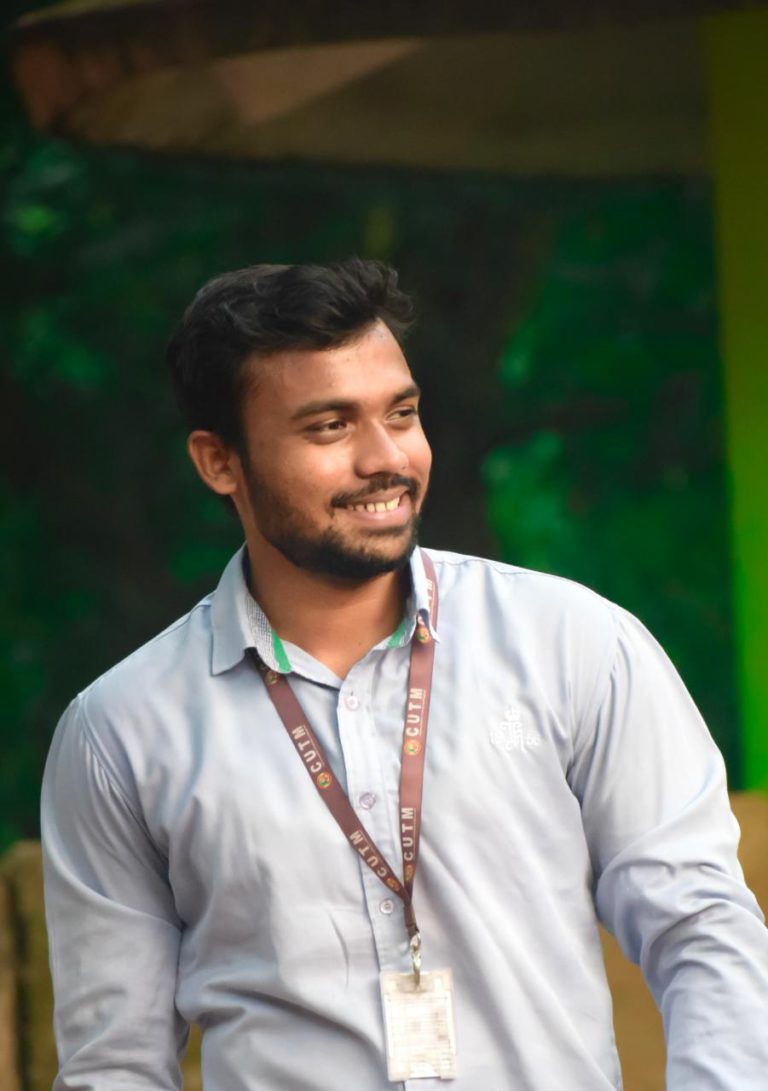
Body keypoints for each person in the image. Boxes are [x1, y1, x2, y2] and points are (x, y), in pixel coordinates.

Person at [42, 258, 768, 1091]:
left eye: (402, 413)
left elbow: (702, 931)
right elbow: (117, 1064)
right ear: (219, 461)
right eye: (329, 427)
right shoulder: (119, 732)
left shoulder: (575, 645)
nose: (386, 458)